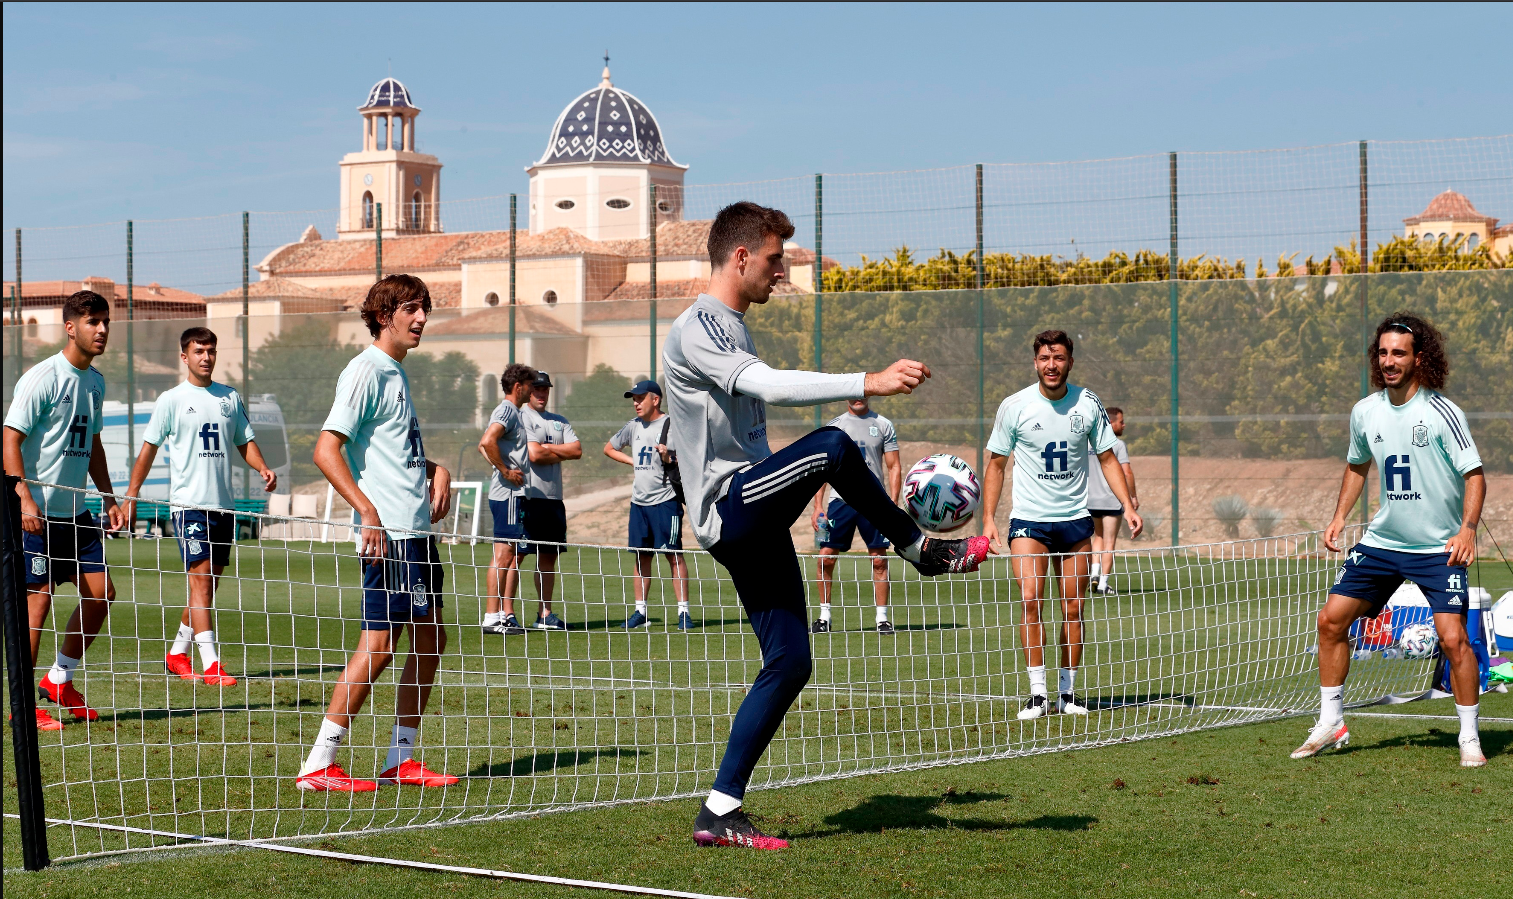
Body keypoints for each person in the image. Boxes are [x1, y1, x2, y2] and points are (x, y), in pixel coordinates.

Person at [666, 201, 990, 850]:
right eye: (773, 257)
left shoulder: (730, 323)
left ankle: (719, 809)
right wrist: (865, 379)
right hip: (728, 508)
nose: (780, 270)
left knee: (788, 663)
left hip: (752, 511)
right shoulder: (696, 325)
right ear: (738, 257)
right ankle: (919, 547)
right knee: (835, 444)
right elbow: (763, 383)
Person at [1295, 313, 1486, 768]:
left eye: (1398, 353)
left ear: (1419, 359)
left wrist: (1467, 530)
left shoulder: (1442, 412)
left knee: (1453, 639)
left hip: (1439, 548)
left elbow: (1474, 475)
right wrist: (1339, 517)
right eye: (1382, 353)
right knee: (1330, 622)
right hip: (1384, 542)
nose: (1388, 361)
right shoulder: (1365, 411)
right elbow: (1357, 465)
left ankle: (1469, 736)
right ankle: (1331, 721)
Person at [295, 274, 458, 792]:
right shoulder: (366, 370)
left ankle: (399, 759)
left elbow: (392, 453)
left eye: (425, 308)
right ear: (384, 315)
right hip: (388, 536)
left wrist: (438, 469)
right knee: (382, 644)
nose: (422, 319)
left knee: (430, 640)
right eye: (412, 308)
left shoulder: (396, 374)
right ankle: (319, 763)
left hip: (415, 537)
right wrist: (367, 512)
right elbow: (326, 449)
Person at [980, 330, 1143, 722]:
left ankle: (1067, 693)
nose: (1051, 365)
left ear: (1070, 362)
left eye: (1059, 358)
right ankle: (1037, 694)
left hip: (1075, 523)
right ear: (1034, 362)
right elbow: (996, 464)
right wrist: (987, 519)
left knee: (1074, 606)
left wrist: (1128, 504)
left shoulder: (1088, 404)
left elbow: (1107, 458)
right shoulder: (1014, 406)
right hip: (1029, 522)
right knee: (1031, 600)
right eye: (1044, 358)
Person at [123, 327, 277, 686]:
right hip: (188, 507)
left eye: (210, 350)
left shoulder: (229, 398)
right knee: (202, 582)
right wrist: (131, 494)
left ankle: (177, 654)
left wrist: (262, 466)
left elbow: (245, 441)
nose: (205, 357)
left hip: (224, 507)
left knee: (205, 588)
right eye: (198, 351)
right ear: (184, 356)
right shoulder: (171, 400)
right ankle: (212, 665)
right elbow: (148, 449)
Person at [3, 290, 125, 731]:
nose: (102, 329)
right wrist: (25, 498)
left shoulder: (96, 382)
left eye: (106, 321)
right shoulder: (43, 377)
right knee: (38, 604)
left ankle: (59, 680)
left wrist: (109, 497)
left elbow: (91, 443)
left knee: (102, 594)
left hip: (76, 514)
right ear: (70, 327)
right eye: (93, 321)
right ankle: (22, 706)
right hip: (35, 515)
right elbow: (10, 438)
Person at [604, 379, 692, 631]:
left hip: (665, 502)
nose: (635, 402)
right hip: (638, 504)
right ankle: (640, 611)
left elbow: (686, 458)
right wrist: (632, 461)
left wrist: (668, 456)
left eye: (640, 398)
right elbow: (609, 448)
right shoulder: (633, 426)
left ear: (655, 399)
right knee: (641, 557)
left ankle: (683, 612)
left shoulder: (671, 425)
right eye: (633, 398)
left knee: (673, 556)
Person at [809, 398, 901, 634]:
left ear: (869, 395)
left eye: (862, 393)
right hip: (839, 502)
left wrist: (892, 503)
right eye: (853, 393)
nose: (858, 397)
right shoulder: (834, 426)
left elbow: (894, 466)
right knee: (824, 557)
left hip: (874, 502)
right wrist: (817, 506)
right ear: (846, 396)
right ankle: (823, 617)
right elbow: (822, 469)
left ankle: (882, 619)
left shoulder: (883, 424)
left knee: (879, 559)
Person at [518, 370, 582, 630]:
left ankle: (544, 614)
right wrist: (559, 451)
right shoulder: (522, 416)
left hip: (554, 500)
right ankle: (501, 611)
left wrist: (548, 450)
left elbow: (576, 450)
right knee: (516, 556)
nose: (541, 394)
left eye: (545, 389)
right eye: (536, 389)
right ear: (527, 391)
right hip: (529, 496)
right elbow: (534, 455)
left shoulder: (560, 421)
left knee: (548, 556)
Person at [477, 363, 536, 636]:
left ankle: (499, 614)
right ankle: (492, 616)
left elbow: (482, 445)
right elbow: (488, 441)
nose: (533, 390)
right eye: (530, 385)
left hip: (512, 495)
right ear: (518, 387)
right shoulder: (506, 410)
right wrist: (505, 471)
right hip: (508, 495)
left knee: (508, 553)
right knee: (503, 555)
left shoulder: (513, 412)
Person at [1085, 406, 1137, 596]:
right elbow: (1126, 472)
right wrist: (1132, 497)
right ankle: (1103, 584)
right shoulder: (1117, 444)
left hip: (1090, 500)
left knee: (1097, 538)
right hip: (1111, 500)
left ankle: (1093, 575)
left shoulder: (1087, 442)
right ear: (1110, 422)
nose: (1123, 425)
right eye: (1120, 421)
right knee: (1109, 541)